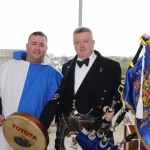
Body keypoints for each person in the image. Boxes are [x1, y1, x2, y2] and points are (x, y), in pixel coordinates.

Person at [55, 26, 123, 149]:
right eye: (77, 42)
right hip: (67, 127)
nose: (81, 45)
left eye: (85, 41)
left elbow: (119, 95)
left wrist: (112, 109)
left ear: (93, 43)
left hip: (96, 127)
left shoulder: (110, 66)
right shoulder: (66, 66)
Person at [0, 31, 63, 150]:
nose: (37, 48)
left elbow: (52, 107)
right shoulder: (7, 67)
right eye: (34, 43)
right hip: (5, 131)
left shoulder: (54, 75)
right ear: (27, 46)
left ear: (46, 48)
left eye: (41, 45)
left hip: (33, 137)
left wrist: (36, 131)